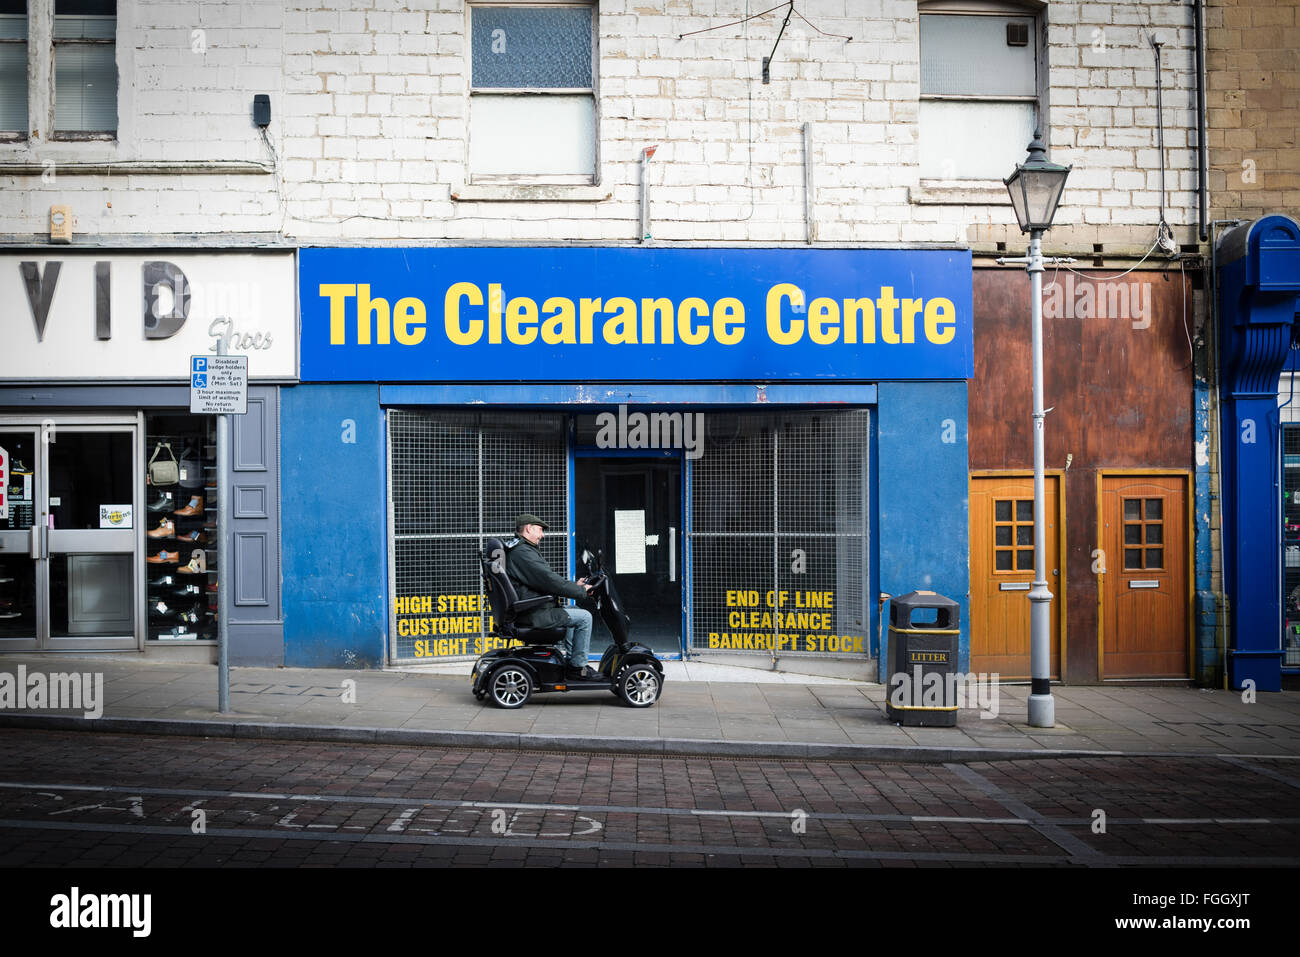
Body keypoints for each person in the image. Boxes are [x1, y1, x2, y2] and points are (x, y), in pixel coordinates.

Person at [504, 513, 597, 679]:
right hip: (534, 614)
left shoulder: (522, 550)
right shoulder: (522, 553)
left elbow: (546, 579)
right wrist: (582, 591)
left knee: (573, 610)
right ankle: (578, 668)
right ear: (528, 529)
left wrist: (575, 586)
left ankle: (572, 662)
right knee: (585, 617)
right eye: (539, 530)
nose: (542, 535)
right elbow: (548, 580)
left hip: (533, 608)